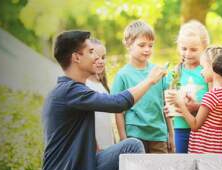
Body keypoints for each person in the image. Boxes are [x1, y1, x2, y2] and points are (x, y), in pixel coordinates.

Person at [42, 30, 166, 170]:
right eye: (91, 52)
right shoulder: (69, 92)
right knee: (131, 146)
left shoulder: (72, 90)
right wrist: (150, 80)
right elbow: (119, 103)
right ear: (76, 57)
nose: (97, 58)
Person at [112, 20, 174, 153]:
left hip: (158, 135)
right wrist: (123, 139)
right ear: (128, 44)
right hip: (134, 136)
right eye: (142, 45)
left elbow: (166, 106)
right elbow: (118, 112)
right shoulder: (122, 75)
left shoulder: (159, 72)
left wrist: (171, 134)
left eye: (150, 45)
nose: (147, 49)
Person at [168, 46, 222, 153]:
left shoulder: (211, 96)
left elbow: (195, 125)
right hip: (219, 146)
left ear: (214, 68)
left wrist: (181, 105)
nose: (201, 72)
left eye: (204, 68)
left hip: (206, 148)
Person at [166, 20, 210, 153]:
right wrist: (169, 110)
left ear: (204, 48)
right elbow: (170, 99)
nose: (188, 54)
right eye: (184, 49)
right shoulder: (175, 73)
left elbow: (216, 100)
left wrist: (196, 106)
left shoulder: (207, 71)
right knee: (183, 165)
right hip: (180, 128)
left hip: (204, 128)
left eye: (194, 50)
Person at [85, 38, 115, 150]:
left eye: (103, 57)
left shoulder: (101, 84)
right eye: (96, 58)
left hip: (109, 144)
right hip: (96, 148)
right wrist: (96, 148)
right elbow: (87, 123)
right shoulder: (85, 85)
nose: (101, 61)